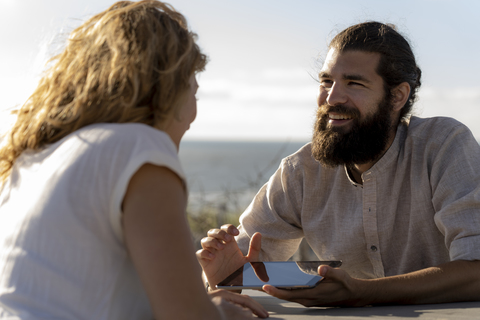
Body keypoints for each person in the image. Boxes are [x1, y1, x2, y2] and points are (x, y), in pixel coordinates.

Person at [0, 1, 269, 319]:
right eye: (193, 92)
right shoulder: (138, 146)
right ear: (166, 91)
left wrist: (200, 293)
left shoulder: (34, 158)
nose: (193, 116)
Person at [197, 21, 480, 307]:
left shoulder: (443, 146)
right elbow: (243, 264)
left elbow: (476, 270)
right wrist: (227, 280)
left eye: (353, 83)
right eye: (326, 82)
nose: (331, 98)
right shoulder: (301, 172)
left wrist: (363, 292)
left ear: (397, 96)